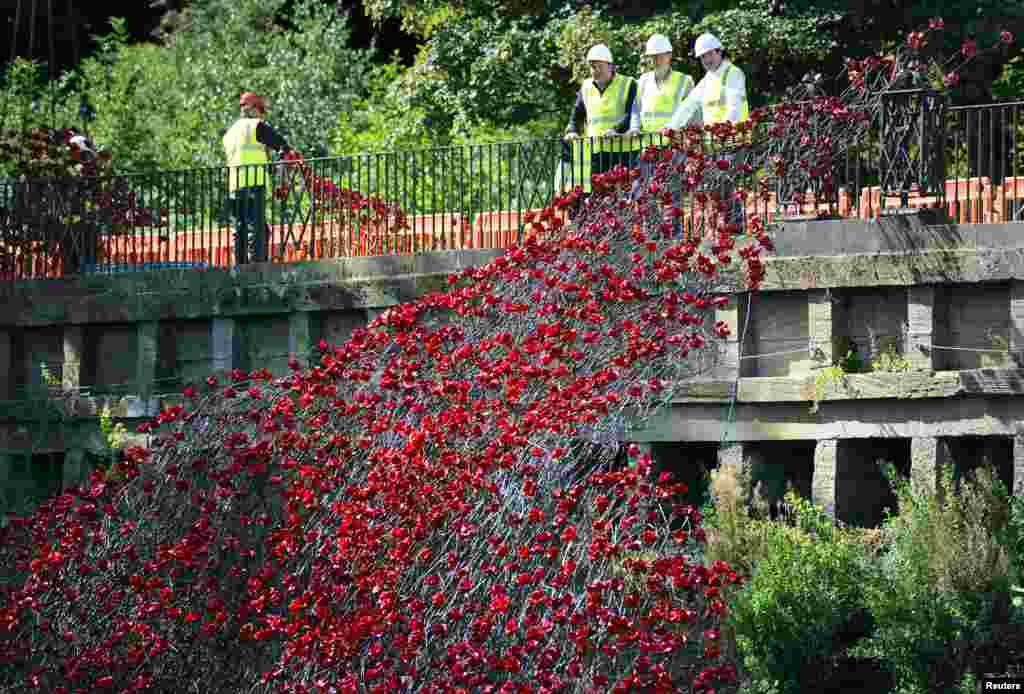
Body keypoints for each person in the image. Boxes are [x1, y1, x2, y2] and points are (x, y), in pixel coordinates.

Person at [663, 34, 750, 233]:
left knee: (724, 181)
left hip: (734, 139)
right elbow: (689, 105)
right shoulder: (707, 80)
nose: (706, 61)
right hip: (714, 142)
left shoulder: (733, 73)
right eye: (702, 58)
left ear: (719, 51)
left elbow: (734, 106)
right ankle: (732, 225)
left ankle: (735, 225)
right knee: (717, 185)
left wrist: (726, 128)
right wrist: (672, 126)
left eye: (709, 55)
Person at [629, 34, 694, 234]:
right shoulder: (643, 81)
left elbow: (691, 111)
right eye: (653, 56)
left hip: (673, 145)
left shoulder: (684, 81)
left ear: (669, 55)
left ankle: (673, 235)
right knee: (642, 191)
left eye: (660, 55)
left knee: (672, 193)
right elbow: (636, 109)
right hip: (648, 145)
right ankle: (657, 231)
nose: (656, 59)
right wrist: (634, 127)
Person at [222, 92, 291, 264]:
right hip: (254, 183)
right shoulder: (256, 126)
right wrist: (282, 177)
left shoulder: (230, 133)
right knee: (258, 229)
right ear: (253, 109)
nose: (262, 114)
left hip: (234, 185)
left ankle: (240, 268)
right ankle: (257, 269)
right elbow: (284, 147)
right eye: (261, 109)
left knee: (240, 228)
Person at [564, 44, 640, 191]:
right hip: (597, 151)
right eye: (592, 67)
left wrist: (615, 129)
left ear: (611, 66)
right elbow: (577, 113)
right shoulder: (586, 86)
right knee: (600, 197)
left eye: (600, 66)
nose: (596, 70)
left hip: (623, 151)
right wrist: (572, 130)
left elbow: (631, 113)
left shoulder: (628, 83)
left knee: (624, 195)